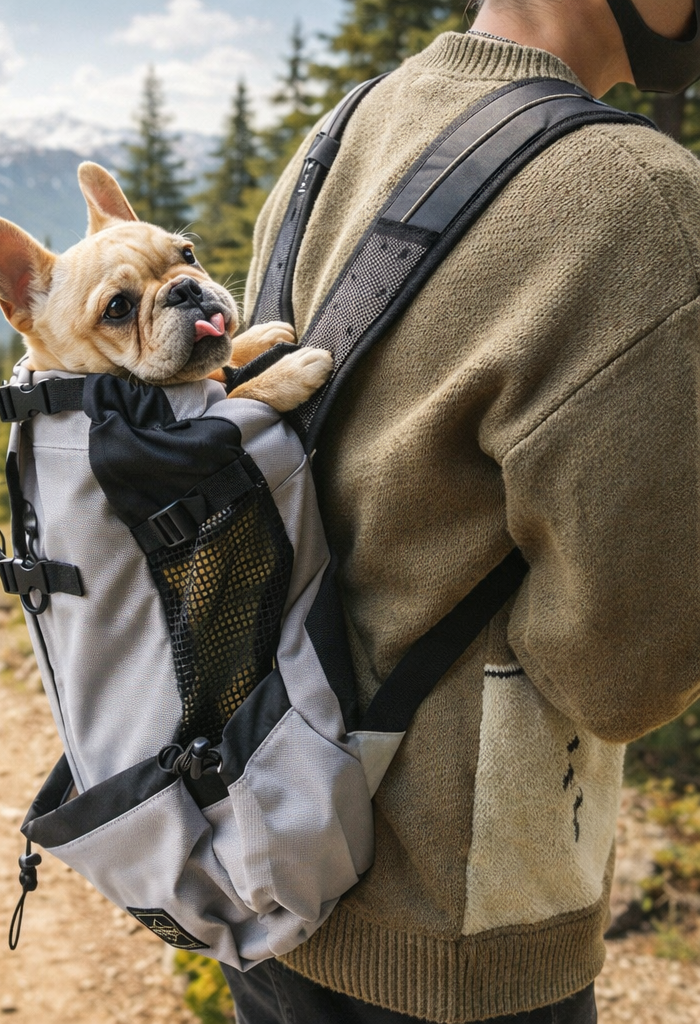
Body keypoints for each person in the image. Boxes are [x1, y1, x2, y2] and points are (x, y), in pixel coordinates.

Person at [226, 1, 700, 1022]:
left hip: (261, 853)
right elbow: (624, 672)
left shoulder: (342, 129)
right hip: (458, 933)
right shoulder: (639, 197)